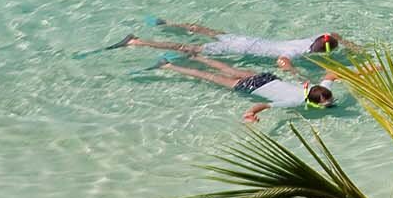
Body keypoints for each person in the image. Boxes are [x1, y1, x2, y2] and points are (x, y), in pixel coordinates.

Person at [151, 55, 337, 124]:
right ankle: (167, 66)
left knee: (227, 69)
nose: (329, 102)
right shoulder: (295, 102)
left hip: (266, 78)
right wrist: (249, 114)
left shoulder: (318, 89)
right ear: (314, 102)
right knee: (208, 77)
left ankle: (195, 56)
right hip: (250, 86)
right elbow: (262, 104)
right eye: (326, 103)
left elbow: (330, 76)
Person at [119, 20, 346, 60]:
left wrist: (354, 47)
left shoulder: (310, 40)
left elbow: (333, 34)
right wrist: (298, 74)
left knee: (206, 30)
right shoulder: (299, 53)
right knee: (188, 48)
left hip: (247, 39)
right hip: (239, 48)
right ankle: (137, 41)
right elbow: (283, 62)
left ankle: (166, 24)